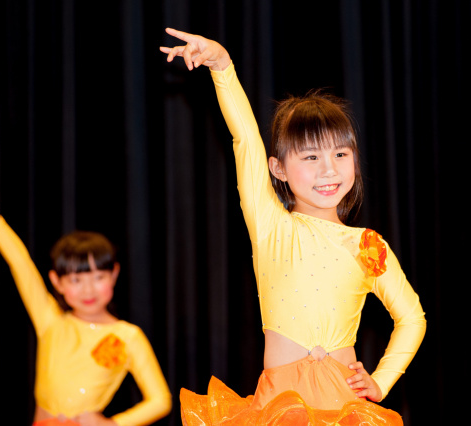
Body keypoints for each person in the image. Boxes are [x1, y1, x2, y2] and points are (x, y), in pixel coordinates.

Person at [161, 29, 426, 425]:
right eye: (311, 157)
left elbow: (412, 317)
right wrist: (222, 67)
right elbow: (245, 139)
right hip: (279, 406)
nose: (329, 170)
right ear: (278, 168)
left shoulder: (367, 245)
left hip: (346, 406)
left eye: (340, 154)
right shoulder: (271, 227)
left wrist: (382, 381)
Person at [0, 189, 172, 426]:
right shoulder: (50, 321)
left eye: (98, 277)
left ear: (114, 274)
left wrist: (113, 424)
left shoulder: (128, 337)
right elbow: (20, 264)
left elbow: (160, 400)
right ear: (57, 282)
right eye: (75, 280)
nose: (88, 290)